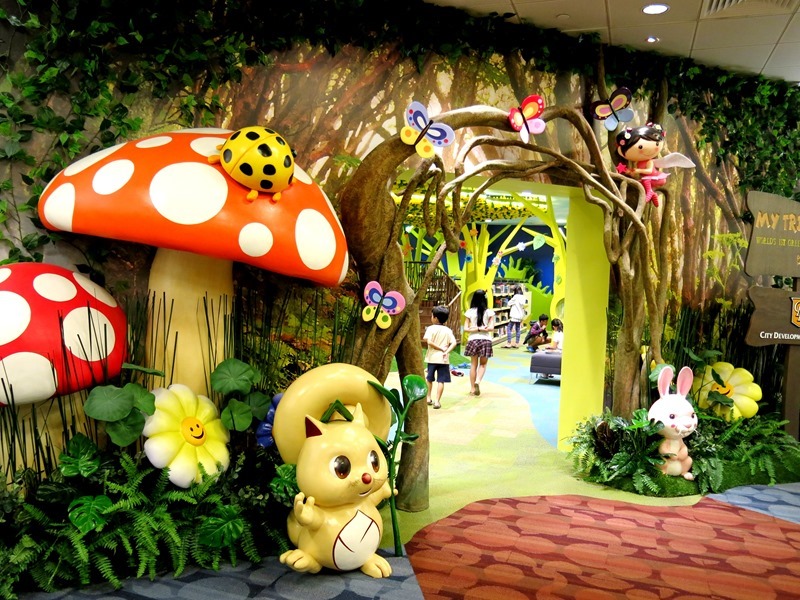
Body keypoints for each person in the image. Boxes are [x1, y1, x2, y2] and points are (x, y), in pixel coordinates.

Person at [615, 123, 667, 206]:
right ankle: (652, 194)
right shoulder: (638, 162)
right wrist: (630, 172)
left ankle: (650, 191)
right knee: (640, 184)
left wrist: (638, 170)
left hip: (656, 178)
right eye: (640, 147)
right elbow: (636, 173)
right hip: (647, 180)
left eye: (657, 144)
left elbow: (649, 171)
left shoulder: (649, 161)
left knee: (645, 180)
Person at [423, 305, 458, 410]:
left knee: (429, 379)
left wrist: (440, 349)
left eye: (432, 316)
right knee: (441, 381)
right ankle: (437, 401)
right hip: (444, 359)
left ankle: (428, 398)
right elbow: (454, 343)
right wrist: (446, 351)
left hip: (432, 358)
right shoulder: (448, 330)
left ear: (435, 318)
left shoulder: (430, 328)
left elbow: (429, 342)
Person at [463, 289, 495, 396]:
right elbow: (491, 328)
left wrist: (475, 329)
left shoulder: (469, 312)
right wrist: (482, 329)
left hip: (473, 339)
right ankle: (478, 381)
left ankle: (472, 388)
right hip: (486, 340)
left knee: (473, 364)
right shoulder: (489, 312)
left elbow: (466, 329)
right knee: (483, 364)